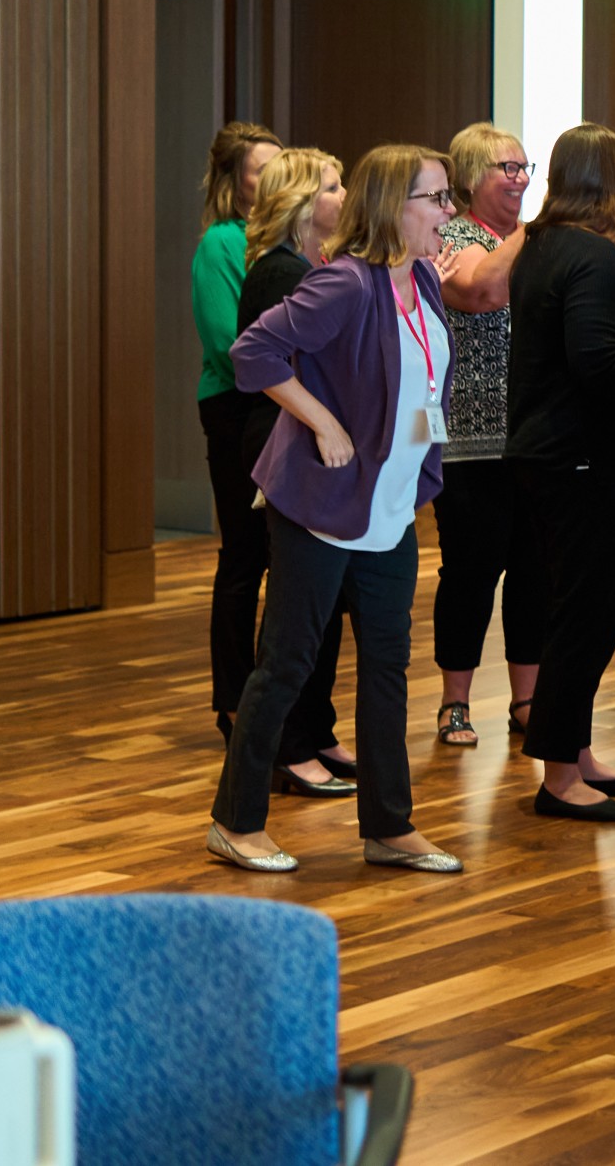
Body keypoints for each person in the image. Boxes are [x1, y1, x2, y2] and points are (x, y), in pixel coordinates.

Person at [208, 143, 461, 875]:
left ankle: (389, 825)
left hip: (390, 508)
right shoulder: (345, 283)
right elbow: (253, 353)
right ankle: (235, 821)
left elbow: (421, 385)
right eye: (436, 199)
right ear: (392, 206)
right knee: (286, 663)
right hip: (320, 505)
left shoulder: (425, 280)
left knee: (386, 668)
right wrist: (320, 421)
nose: (449, 212)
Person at [508, 124, 615, 822]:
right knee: (584, 617)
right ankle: (559, 776)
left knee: (578, 612)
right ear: (607, 180)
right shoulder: (591, 254)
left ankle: (574, 753)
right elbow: (598, 362)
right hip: (581, 461)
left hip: (553, 456)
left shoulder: (542, 245)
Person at [234, 148, 353, 795]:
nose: (345, 195)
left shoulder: (317, 266)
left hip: (314, 437)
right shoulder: (280, 272)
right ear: (302, 202)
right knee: (297, 608)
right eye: (333, 186)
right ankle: (290, 746)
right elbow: (270, 362)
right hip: (291, 435)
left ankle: (317, 728)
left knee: (324, 605)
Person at [429, 124, 542, 748]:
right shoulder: (453, 237)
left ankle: (526, 701)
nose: (521, 179)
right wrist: (539, 228)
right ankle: (455, 702)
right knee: (471, 573)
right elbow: (481, 291)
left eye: (526, 168)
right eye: (508, 168)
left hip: (533, 436)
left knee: (533, 571)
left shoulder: (531, 241)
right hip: (472, 441)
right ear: (472, 177)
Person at [193, 120, 282, 740]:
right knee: (245, 557)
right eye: (261, 171)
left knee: (285, 557)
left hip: (281, 405)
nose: (275, 181)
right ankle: (232, 699)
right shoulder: (221, 243)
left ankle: (272, 698)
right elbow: (231, 344)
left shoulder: (290, 240)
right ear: (235, 181)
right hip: (236, 408)